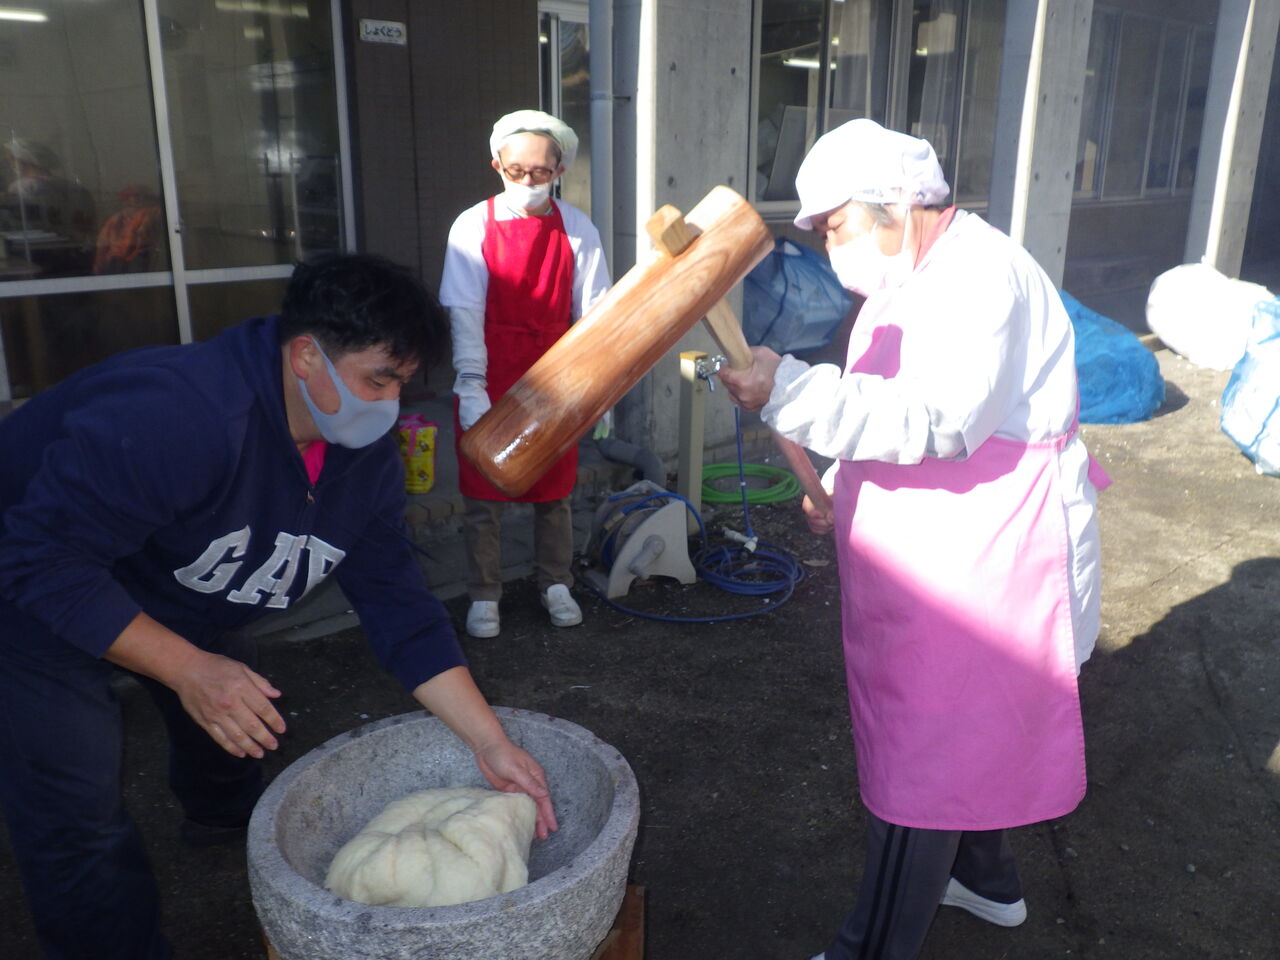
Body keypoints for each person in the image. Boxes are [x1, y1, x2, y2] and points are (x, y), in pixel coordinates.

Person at [0, 253, 558, 960]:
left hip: (170, 575)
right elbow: (40, 558)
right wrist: (185, 667)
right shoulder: (182, 414)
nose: (391, 403)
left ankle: (224, 818)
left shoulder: (363, 458)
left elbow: (399, 606)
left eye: (402, 381)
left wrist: (488, 741)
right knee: (78, 814)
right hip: (30, 580)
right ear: (305, 356)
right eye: (377, 379)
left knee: (229, 684)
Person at [717, 119, 1106, 960]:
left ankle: (871, 947)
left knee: (926, 749)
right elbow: (882, 399)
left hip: (988, 546)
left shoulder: (980, 277)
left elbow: (939, 417)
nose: (830, 250)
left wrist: (790, 392)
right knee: (972, 728)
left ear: (897, 203)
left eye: (836, 227)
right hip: (939, 539)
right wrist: (836, 471)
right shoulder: (909, 276)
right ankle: (986, 878)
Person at [439, 109, 611, 640]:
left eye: (540, 172)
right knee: (483, 496)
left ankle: (555, 582)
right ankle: (484, 593)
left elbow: (596, 315)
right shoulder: (472, 225)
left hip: (555, 374)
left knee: (554, 492)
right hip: (490, 370)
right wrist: (470, 382)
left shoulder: (578, 228)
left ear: (559, 170)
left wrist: (597, 388)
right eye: (517, 171)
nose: (528, 181)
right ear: (497, 166)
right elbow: (465, 310)